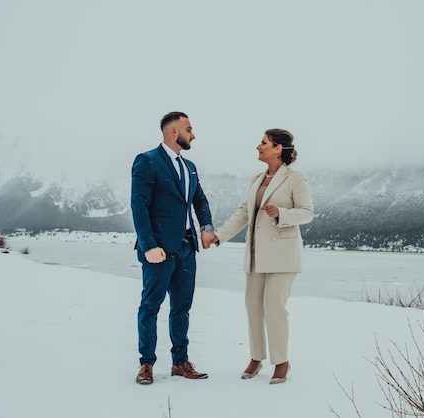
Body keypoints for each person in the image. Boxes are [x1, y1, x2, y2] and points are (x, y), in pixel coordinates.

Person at [205, 128, 314, 384]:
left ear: (278, 148)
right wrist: (219, 235)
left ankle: (281, 361)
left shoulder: (296, 178)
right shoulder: (256, 178)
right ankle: (256, 356)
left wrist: (281, 213)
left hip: (283, 254)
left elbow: (307, 213)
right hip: (256, 254)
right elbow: (243, 213)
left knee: (274, 307)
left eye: (263, 143)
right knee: (253, 306)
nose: (258, 146)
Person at [131, 111, 216, 385]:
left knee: (182, 307)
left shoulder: (190, 166)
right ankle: (146, 364)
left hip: (187, 248)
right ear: (174, 132)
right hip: (159, 251)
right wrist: (149, 246)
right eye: (189, 129)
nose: (194, 134)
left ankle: (180, 362)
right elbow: (139, 206)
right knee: (150, 306)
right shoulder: (147, 161)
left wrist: (206, 228)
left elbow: (199, 201)